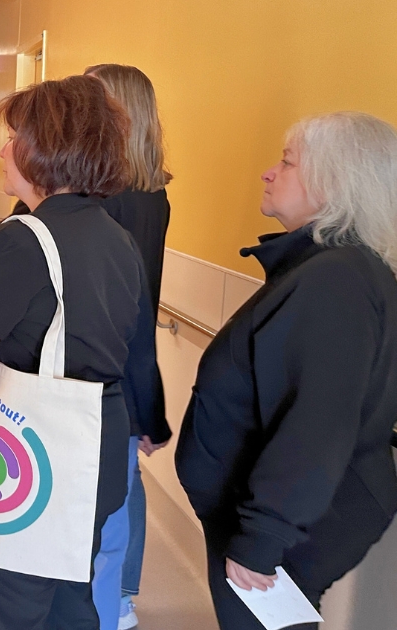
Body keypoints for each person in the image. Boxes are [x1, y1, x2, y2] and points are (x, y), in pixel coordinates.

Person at [0, 75, 154, 628]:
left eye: (14, 137)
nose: (5, 150)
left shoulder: (17, 241)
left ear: (43, 149)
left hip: (30, 448)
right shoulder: (117, 238)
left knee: (12, 600)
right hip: (97, 440)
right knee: (68, 597)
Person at [175, 112, 397, 629]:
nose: (268, 173)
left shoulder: (336, 281)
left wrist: (262, 536)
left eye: (287, 162)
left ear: (335, 184)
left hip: (286, 523)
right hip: (272, 512)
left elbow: (317, 423)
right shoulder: (331, 268)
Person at [85, 63, 173, 630]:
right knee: (123, 480)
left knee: (113, 486)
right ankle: (120, 596)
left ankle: (112, 596)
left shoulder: (105, 201)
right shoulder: (153, 196)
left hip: (102, 358)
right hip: (128, 358)